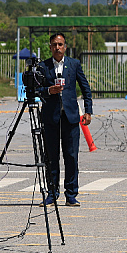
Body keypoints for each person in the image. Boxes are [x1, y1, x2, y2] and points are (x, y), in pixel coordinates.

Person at [37, 32, 93, 207]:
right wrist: (48, 91)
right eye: (54, 44)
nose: (57, 48)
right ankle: (52, 194)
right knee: (51, 157)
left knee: (71, 156)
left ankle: (71, 195)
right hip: (51, 118)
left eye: (60, 44)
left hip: (70, 117)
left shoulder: (74, 64)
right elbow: (36, 90)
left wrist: (88, 111)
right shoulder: (43, 66)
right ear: (50, 47)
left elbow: (85, 88)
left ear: (65, 46)